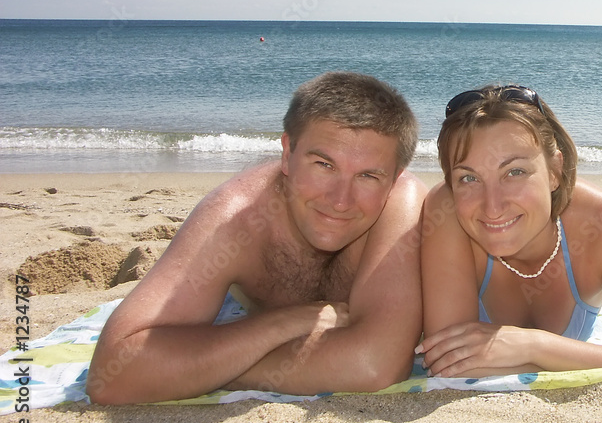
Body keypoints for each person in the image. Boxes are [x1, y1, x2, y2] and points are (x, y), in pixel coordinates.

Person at [87, 72, 427, 404]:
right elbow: (113, 376)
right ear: (287, 152)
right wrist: (279, 325)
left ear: (395, 178)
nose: (340, 200)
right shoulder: (238, 216)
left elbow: (374, 365)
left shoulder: (401, 204)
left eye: (368, 176)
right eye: (324, 164)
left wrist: (201, 369)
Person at [417, 85, 602, 378]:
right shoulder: (446, 212)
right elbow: (449, 365)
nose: (492, 207)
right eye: (469, 178)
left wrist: (533, 345)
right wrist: (563, 360)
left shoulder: (601, 221)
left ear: (554, 171)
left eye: (515, 172)